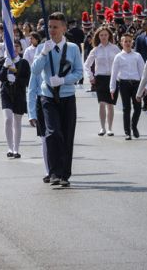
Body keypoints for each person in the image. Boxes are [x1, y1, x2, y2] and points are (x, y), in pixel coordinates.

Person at [31, 12, 84, 187]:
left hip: (67, 96)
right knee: (53, 133)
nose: (52, 30)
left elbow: (78, 72)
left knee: (67, 135)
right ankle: (53, 172)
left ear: (64, 28)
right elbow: (35, 71)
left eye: (55, 27)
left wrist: (63, 80)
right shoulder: (43, 47)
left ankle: (64, 174)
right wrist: (44, 54)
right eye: (49, 27)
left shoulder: (73, 48)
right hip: (48, 97)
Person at [84, 26, 121, 136]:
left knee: (110, 104)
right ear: (98, 37)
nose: (104, 37)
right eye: (101, 35)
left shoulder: (115, 48)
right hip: (100, 78)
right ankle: (102, 127)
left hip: (112, 78)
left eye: (105, 35)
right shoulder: (95, 50)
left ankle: (110, 128)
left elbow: (121, 61)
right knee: (102, 103)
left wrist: (119, 75)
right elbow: (86, 65)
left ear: (109, 35)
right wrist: (91, 77)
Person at [109, 33, 145, 140]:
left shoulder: (137, 56)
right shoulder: (118, 57)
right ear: (121, 43)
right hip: (124, 83)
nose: (128, 43)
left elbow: (143, 72)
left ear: (132, 42)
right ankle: (127, 132)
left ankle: (133, 126)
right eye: (125, 41)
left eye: (129, 41)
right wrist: (112, 88)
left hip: (136, 84)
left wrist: (145, 86)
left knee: (137, 107)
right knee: (126, 108)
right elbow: (114, 73)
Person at [0, 42, 31, 158]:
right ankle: (10, 147)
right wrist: (4, 67)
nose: (15, 49)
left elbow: (27, 81)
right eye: (12, 47)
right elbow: (1, 78)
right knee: (8, 119)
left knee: (17, 122)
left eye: (17, 46)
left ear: (20, 49)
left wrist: (16, 79)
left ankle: (16, 149)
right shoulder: (3, 61)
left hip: (19, 94)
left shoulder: (24, 63)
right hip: (6, 93)